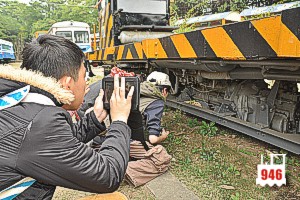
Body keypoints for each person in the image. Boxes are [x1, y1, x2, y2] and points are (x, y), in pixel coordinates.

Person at [0, 35, 134, 199]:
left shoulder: (14, 100)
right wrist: (120, 120)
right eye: (84, 77)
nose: (86, 84)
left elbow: (58, 145)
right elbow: (107, 176)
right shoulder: (40, 124)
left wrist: (95, 118)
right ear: (67, 83)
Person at [78, 70, 171, 146]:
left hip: (96, 130)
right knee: (160, 157)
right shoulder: (158, 102)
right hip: (116, 136)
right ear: (164, 90)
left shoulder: (133, 88)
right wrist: (162, 137)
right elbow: (153, 139)